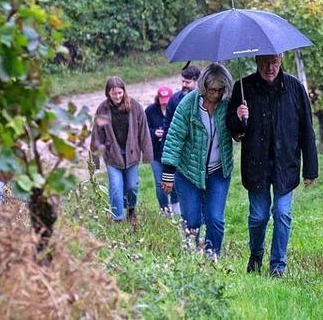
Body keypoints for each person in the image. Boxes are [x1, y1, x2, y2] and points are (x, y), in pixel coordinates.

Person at [226, 54, 318, 277]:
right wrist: (239, 117)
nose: (270, 68)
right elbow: (233, 128)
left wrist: (310, 169)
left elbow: (307, 128)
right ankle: (256, 254)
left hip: (285, 164)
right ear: (257, 62)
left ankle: (278, 265)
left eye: (274, 62)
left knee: (282, 213)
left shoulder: (294, 87)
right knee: (258, 216)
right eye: (265, 63)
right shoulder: (243, 87)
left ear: (281, 60)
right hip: (256, 165)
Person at [161, 63, 234, 259]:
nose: (215, 95)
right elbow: (174, 138)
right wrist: (168, 175)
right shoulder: (188, 105)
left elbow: (238, 133)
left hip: (218, 171)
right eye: (212, 90)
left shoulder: (228, 103)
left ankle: (212, 259)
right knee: (192, 220)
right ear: (203, 87)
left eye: (220, 90)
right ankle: (191, 259)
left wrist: (243, 120)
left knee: (215, 219)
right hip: (189, 172)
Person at [90, 76, 153, 223]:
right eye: (114, 93)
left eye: (120, 93)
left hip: (132, 154)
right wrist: (95, 162)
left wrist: (148, 155)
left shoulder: (135, 107)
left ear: (124, 91)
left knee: (132, 186)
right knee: (116, 187)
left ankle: (131, 211)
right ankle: (117, 218)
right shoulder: (103, 109)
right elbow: (96, 135)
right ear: (108, 93)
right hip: (113, 155)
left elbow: (144, 131)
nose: (117, 96)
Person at [144, 85, 180, 216]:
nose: (164, 103)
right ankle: (164, 209)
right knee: (160, 182)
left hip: (172, 152)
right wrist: (154, 132)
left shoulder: (176, 108)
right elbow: (143, 130)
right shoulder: (150, 111)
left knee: (174, 180)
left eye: (167, 100)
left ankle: (176, 206)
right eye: (162, 100)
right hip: (155, 153)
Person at [164, 65, 201, 138]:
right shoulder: (174, 99)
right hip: (177, 139)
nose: (184, 85)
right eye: (183, 81)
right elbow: (167, 125)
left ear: (196, 82)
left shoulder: (203, 99)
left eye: (188, 82)